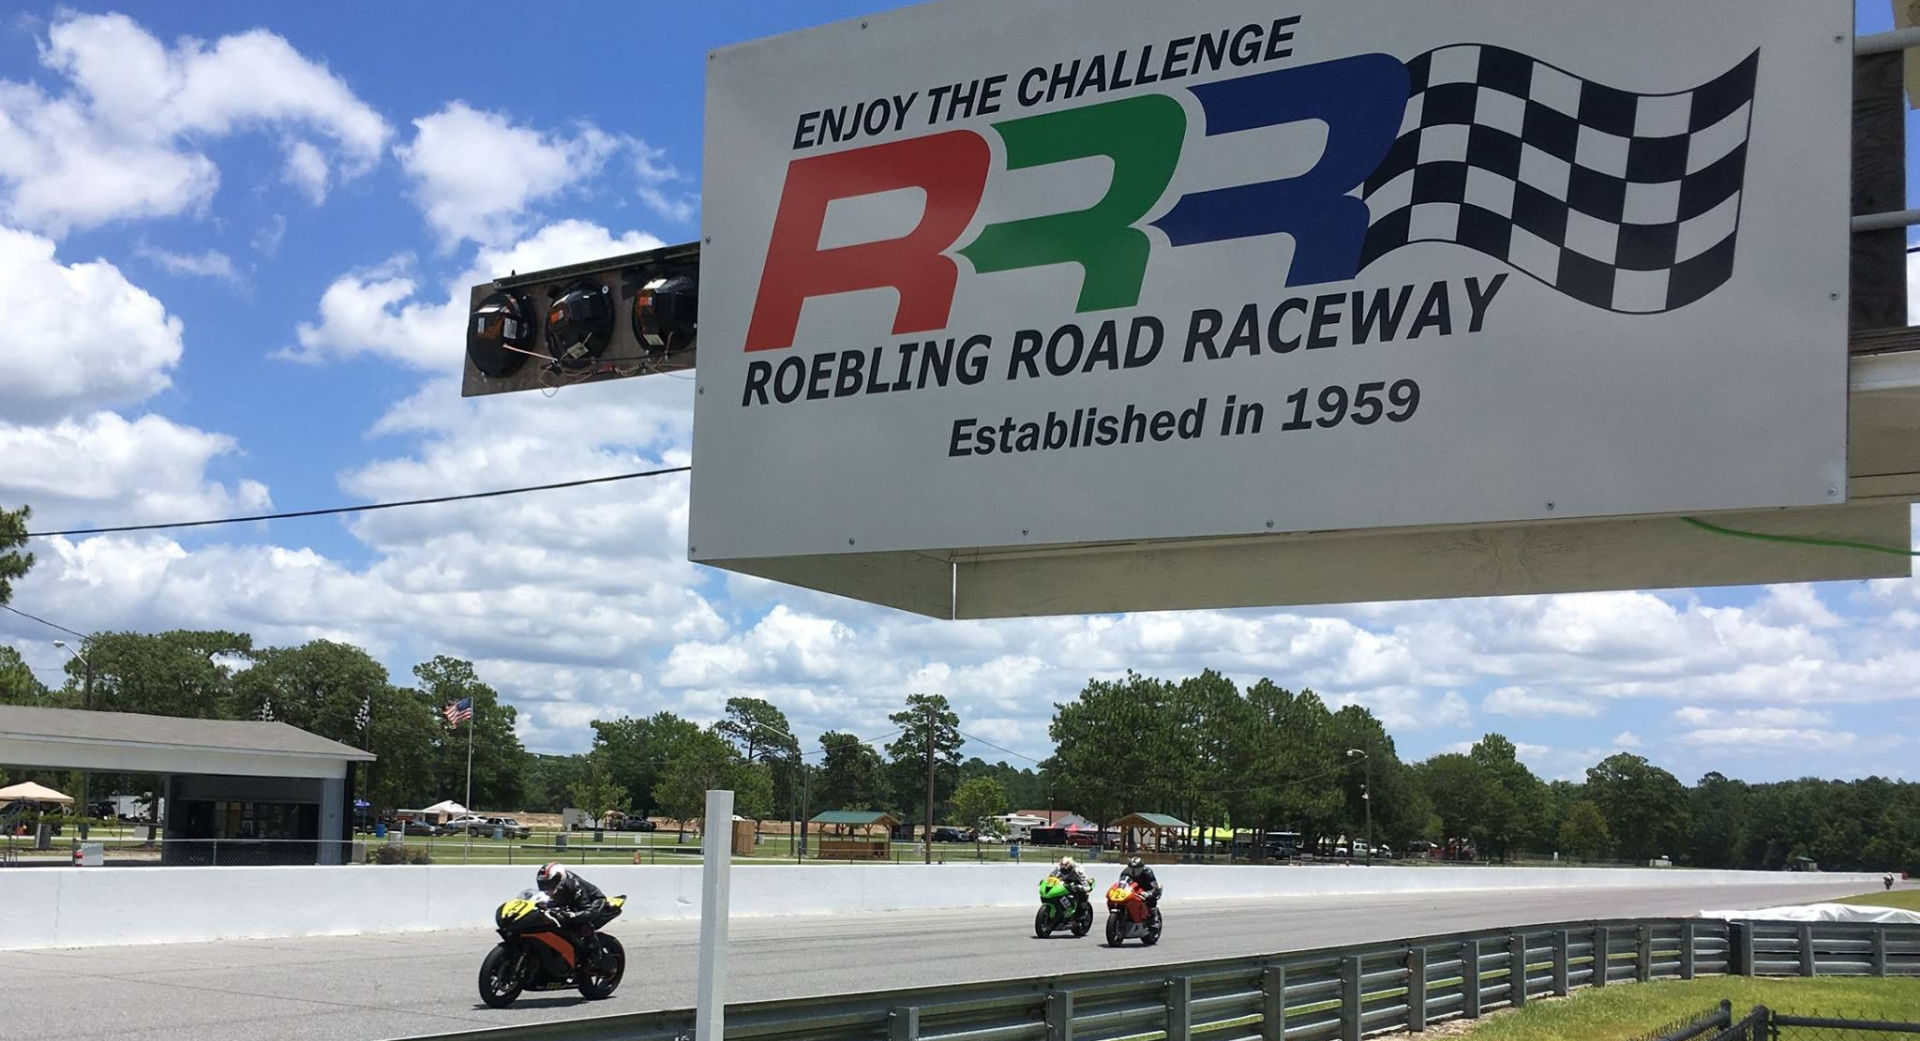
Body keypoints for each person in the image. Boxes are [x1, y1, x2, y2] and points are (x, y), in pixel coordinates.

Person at [537, 861, 609, 961]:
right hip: (570, 902)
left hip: (594, 901)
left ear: (559, 879)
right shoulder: (555, 887)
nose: (546, 886)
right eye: (543, 883)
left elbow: (585, 908)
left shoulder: (574, 886)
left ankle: (594, 951)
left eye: (549, 883)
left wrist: (572, 915)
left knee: (583, 922)